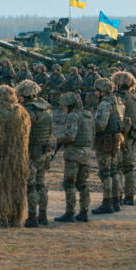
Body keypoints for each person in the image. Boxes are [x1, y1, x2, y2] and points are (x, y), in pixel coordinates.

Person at [0, 85, 31, 227]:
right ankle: (15, 218)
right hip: (19, 157)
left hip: (1, 157)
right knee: (16, 188)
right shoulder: (23, 112)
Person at [16, 79, 53, 228]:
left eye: (19, 96)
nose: (18, 98)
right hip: (44, 153)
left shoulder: (28, 111)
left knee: (31, 187)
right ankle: (43, 215)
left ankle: (32, 217)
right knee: (41, 185)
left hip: (31, 153)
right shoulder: (47, 110)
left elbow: (21, 133)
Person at [54, 92, 94, 223]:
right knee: (83, 184)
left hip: (73, 154)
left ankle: (70, 212)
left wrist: (58, 141)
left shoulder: (73, 116)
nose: (63, 109)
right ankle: (84, 212)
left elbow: (70, 136)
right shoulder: (88, 115)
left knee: (69, 183)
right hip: (86, 153)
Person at [91, 78, 125, 214]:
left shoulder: (104, 104)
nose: (95, 93)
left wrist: (89, 128)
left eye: (97, 90)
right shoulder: (117, 101)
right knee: (114, 170)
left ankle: (107, 202)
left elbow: (101, 124)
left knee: (105, 172)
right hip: (117, 138)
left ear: (103, 91)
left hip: (105, 140)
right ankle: (116, 200)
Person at [112, 72, 136, 205]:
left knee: (116, 167)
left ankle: (116, 195)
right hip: (132, 135)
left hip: (121, 135)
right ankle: (130, 196)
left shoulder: (119, 99)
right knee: (129, 167)